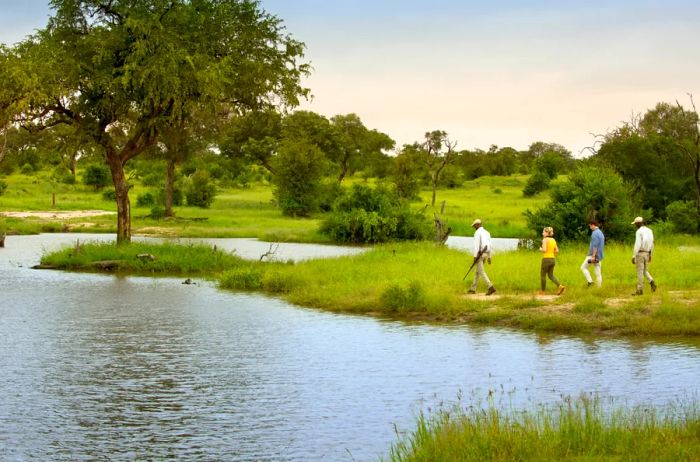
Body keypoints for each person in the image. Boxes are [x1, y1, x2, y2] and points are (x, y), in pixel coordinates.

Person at [468, 219, 496, 295]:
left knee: (481, 271)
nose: (474, 227)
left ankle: (490, 287)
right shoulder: (487, 233)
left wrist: (475, 256)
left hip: (480, 254)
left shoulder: (477, 233)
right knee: (477, 271)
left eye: (474, 225)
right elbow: (489, 245)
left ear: (478, 225)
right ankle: (473, 289)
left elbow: (476, 245)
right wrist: (490, 256)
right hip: (486, 254)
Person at [631, 216, 657, 295]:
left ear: (638, 223)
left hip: (640, 253)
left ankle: (640, 290)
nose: (635, 225)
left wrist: (634, 255)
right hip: (647, 253)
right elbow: (652, 243)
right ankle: (652, 282)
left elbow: (638, 244)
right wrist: (651, 254)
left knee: (639, 271)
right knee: (645, 270)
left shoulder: (639, 231)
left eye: (635, 224)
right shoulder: (650, 230)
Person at [539, 227, 565, 295]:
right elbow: (557, 250)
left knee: (543, 275)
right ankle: (560, 286)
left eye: (543, 232)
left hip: (546, 259)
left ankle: (542, 292)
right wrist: (551, 251)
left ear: (547, 233)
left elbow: (544, 250)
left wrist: (540, 249)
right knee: (551, 275)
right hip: (552, 259)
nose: (542, 233)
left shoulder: (545, 240)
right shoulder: (553, 240)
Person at [581, 220, 604, 287]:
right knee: (598, 272)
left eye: (590, 226)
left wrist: (593, 256)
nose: (590, 227)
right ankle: (599, 287)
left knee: (583, 267)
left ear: (593, 225)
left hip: (592, 255)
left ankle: (590, 282)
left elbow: (595, 245)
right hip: (599, 255)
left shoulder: (595, 233)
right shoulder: (600, 233)